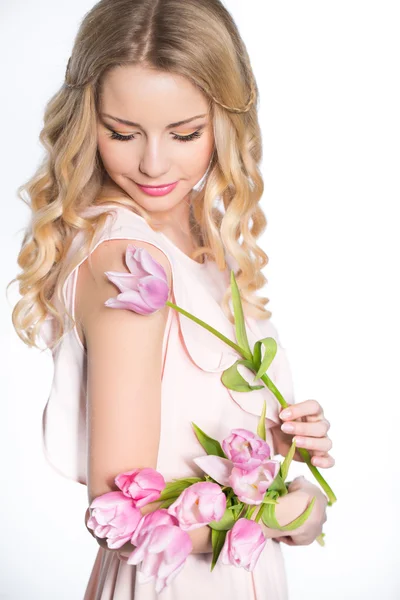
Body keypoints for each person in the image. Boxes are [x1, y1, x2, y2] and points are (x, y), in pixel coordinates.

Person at [9, 0, 334, 598]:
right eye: (122, 132)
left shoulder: (198, 239)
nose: (153, 163)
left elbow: (188, 423)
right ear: (87, 122)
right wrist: (287, 515)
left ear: (227, 121)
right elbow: (123, 509)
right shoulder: (131, 260)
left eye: (185, 133)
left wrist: (271, 445)